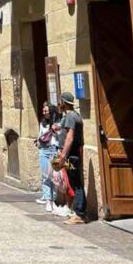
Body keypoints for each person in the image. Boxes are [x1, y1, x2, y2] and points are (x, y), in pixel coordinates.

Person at [58, 90, 87, 224]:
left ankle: (79, 214)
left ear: (64, 102)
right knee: (74, 182)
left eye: (60, 102)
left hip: (71, 154)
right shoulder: (76, 115)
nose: (59, 104)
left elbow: (70, 137)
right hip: (74, 153)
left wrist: (63, 155)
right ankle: (77, 211)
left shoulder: (70, 116)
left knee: (75, 183)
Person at [35, 102, 60, 213]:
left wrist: (56, 131)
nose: (44, 112)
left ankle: (54, 199)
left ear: (51, 111)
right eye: (43, 111)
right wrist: (38, 142)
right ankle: (48, 200)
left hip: (54, 150)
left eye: (46, 111)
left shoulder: (58, 122)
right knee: (45, 176)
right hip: (44, 150)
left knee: (54, 176)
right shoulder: (42, 122)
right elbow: (41, 135)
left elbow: (60, 137)